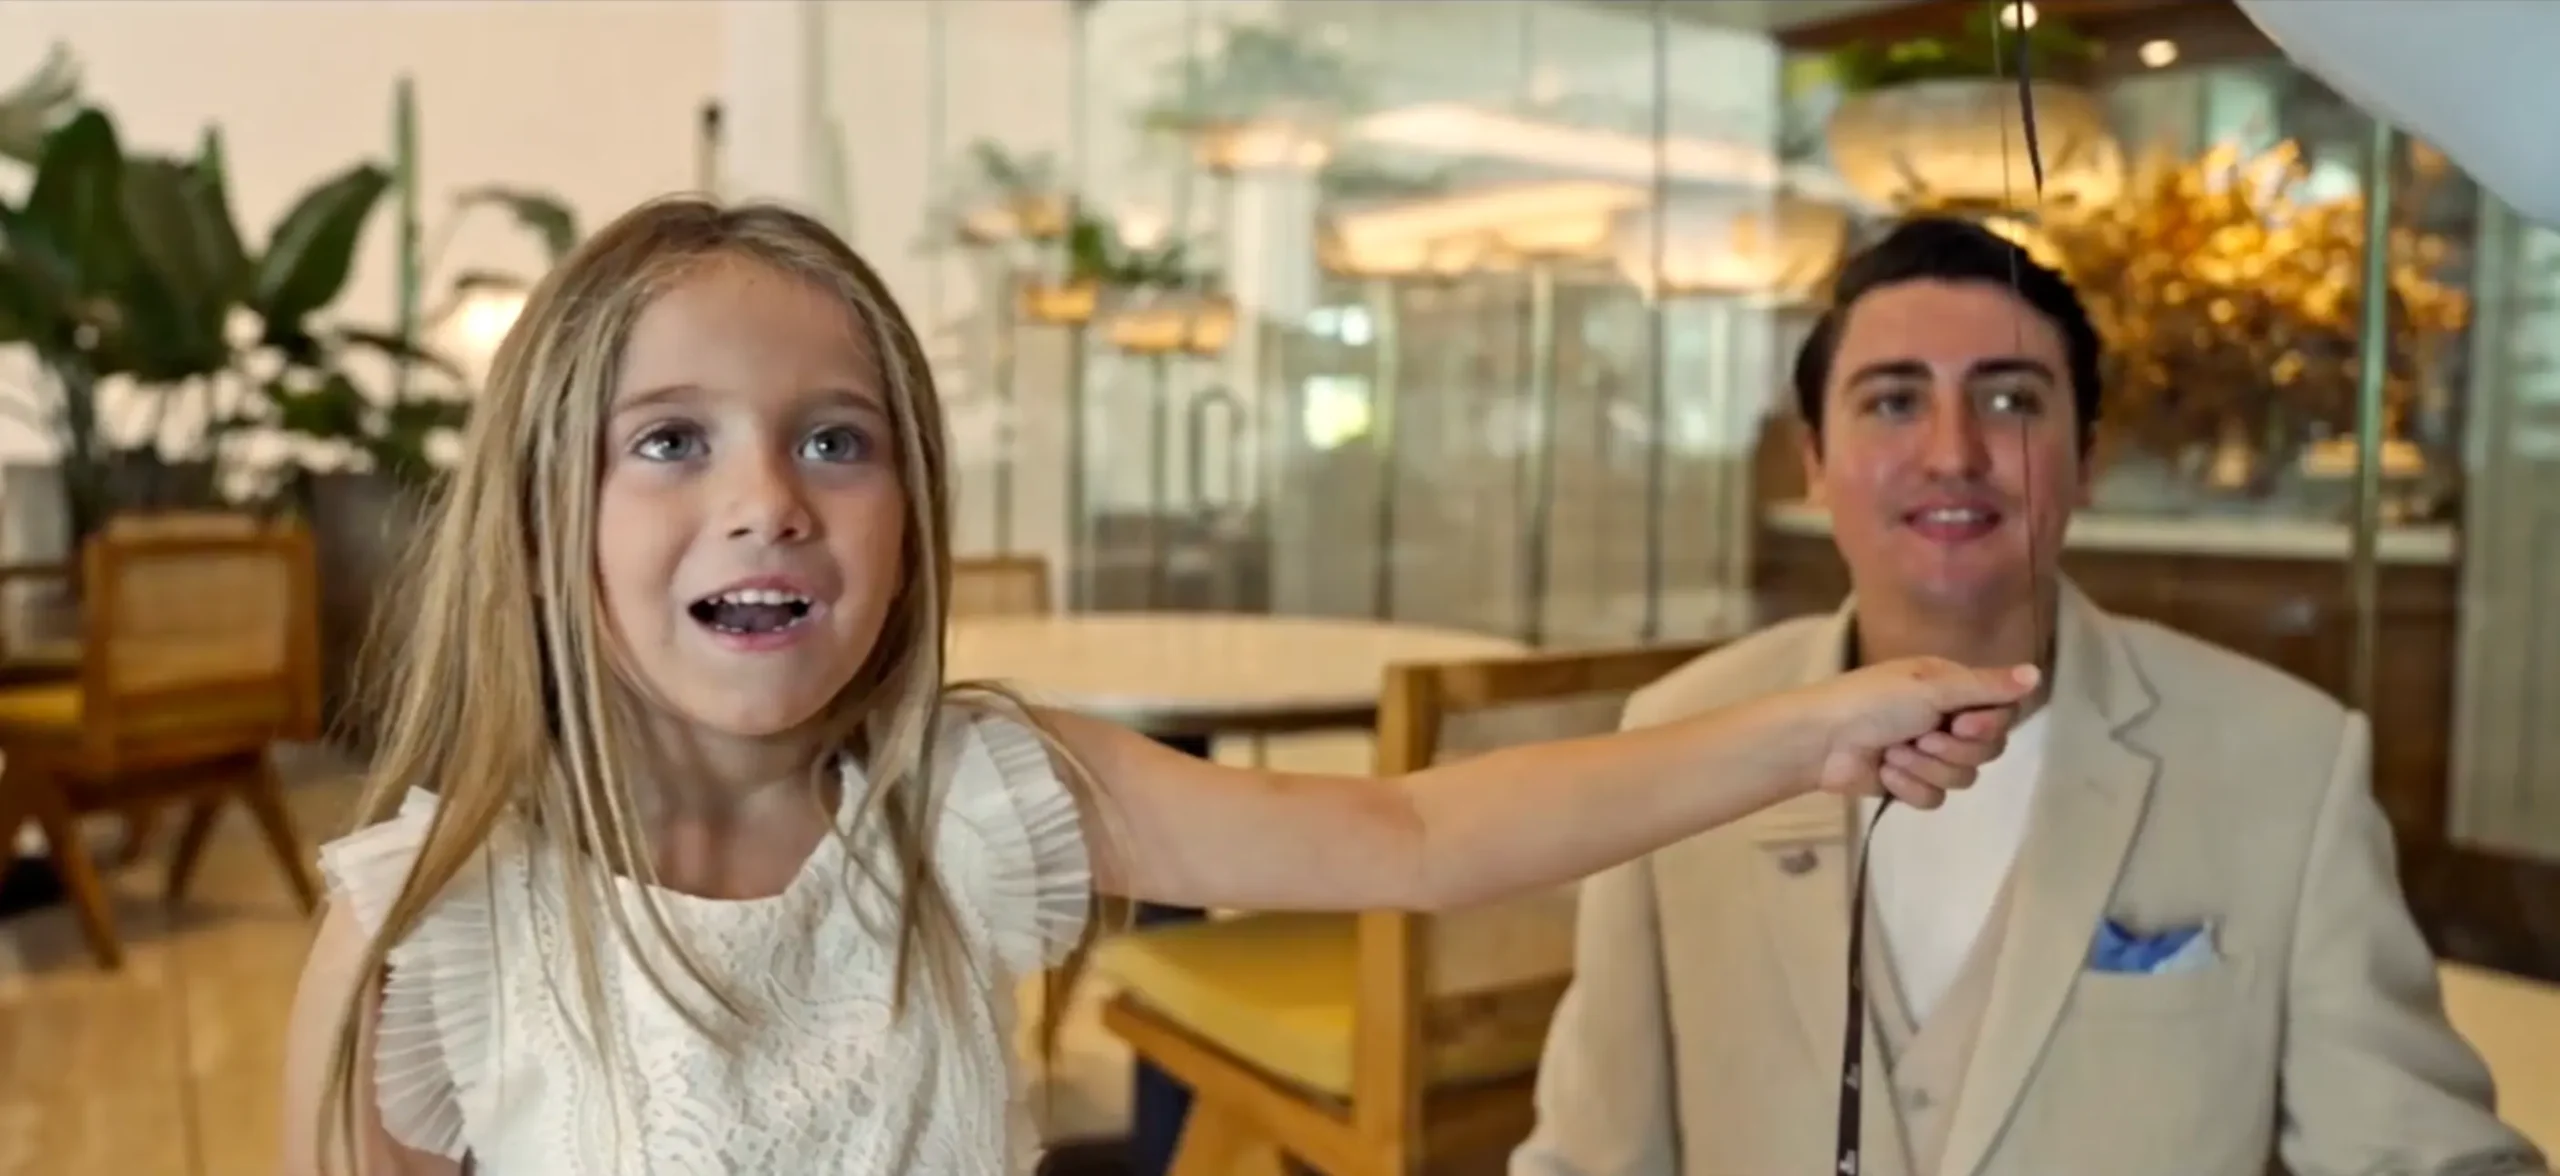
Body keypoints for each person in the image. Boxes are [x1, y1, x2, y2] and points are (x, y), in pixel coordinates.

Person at [273, 198, 2038, 1175]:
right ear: (534, 514)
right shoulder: (428, 931)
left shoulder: (975, 799)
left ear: (911, 521)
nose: (769, 498)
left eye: (836, 438)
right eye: (671, 440)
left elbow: (1413, 830)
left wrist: (1816, 729)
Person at [1511, 218, 2548, 1176]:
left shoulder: (2287, 759)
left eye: (2009, 399)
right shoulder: (1678, 738)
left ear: (2085, 457)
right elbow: (1591, 1153)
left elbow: (2416, 1156)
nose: (1953, 453)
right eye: (1892, 400)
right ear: (1815, 463)